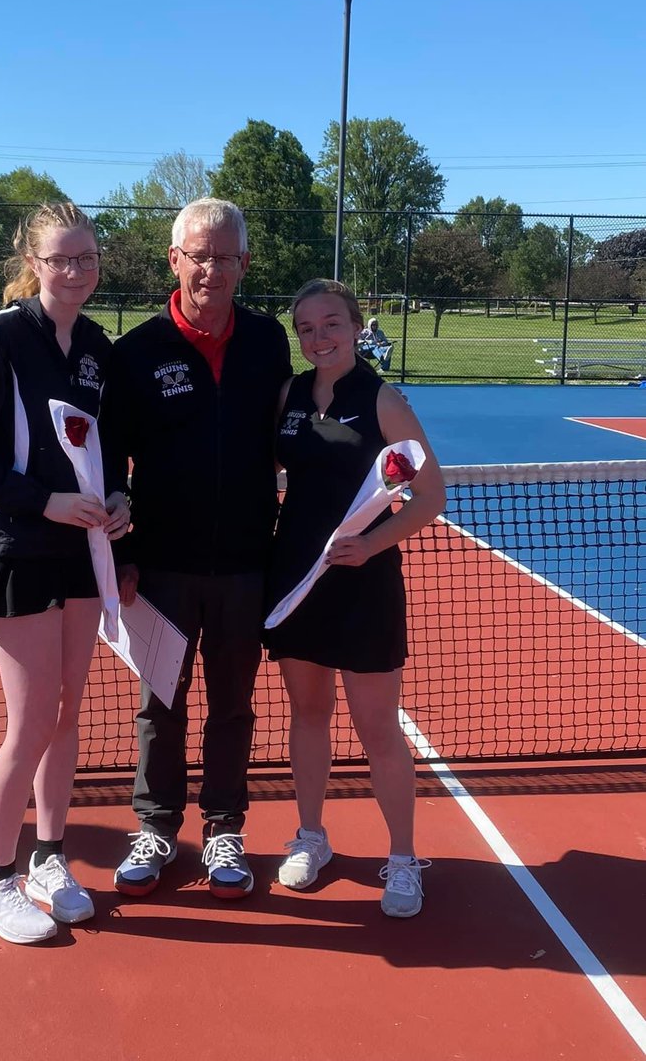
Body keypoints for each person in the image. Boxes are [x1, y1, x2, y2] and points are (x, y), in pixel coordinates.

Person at [0, 203, 130, 944]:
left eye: (86, 258)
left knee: (69, 714)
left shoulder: (99, 351)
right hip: (15, 551)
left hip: (83, 554)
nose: (75, 270)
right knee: (30, 723)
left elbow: (107, 452)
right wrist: (44, 501)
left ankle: (50, 857)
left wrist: (117, 498)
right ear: (34, 263)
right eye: (61, 259)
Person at [100, 198, 291, 899]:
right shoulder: (136, 353)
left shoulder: (269, 342)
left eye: (226, 256)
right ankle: (155, 826)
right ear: (174, 260)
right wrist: (119, 555)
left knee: (234, 703)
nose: (212, 268)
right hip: (160, 566)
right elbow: (109, 462)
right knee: (160, 704)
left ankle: (224, 828)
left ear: (244, 263)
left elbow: (289, 433)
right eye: (199, 255)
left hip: (246, 561)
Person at [264, 279, 445, 917]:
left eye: (331, 324)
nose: (319, 338)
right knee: (308, 714)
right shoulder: (287, 395)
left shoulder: (383, 399)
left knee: (377, 730)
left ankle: (402, 859)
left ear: (357, 325)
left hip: (365, 583)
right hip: (297, 580)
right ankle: (311, 836)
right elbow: (268, 475)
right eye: (306, 328)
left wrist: (370, 545)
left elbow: (430, 497)